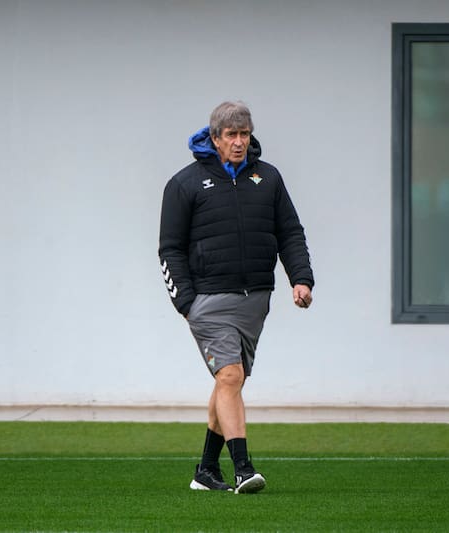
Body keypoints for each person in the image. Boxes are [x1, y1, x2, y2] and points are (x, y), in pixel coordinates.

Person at [158, 101, 314, 494]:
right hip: (208, 300)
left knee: (230, 383)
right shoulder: (185, 184)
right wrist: (187, 303)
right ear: (215, 138)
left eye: (245, 134)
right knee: (230, 375)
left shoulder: (269, 178)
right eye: (231, 135)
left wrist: (301, 278)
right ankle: (243, 468)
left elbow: (290, 232)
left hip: (255, 300)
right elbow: (169, 249)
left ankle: (206, 471)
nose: (240, 142)